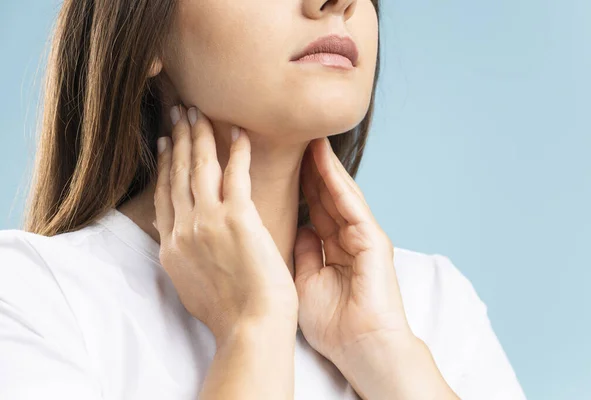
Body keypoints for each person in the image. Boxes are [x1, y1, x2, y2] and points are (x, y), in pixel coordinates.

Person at [0, 0, 526, 399]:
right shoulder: (29, 297)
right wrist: (253, 329)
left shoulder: (433, 305)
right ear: (142, 32)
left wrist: (384, 355)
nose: (333, 2)